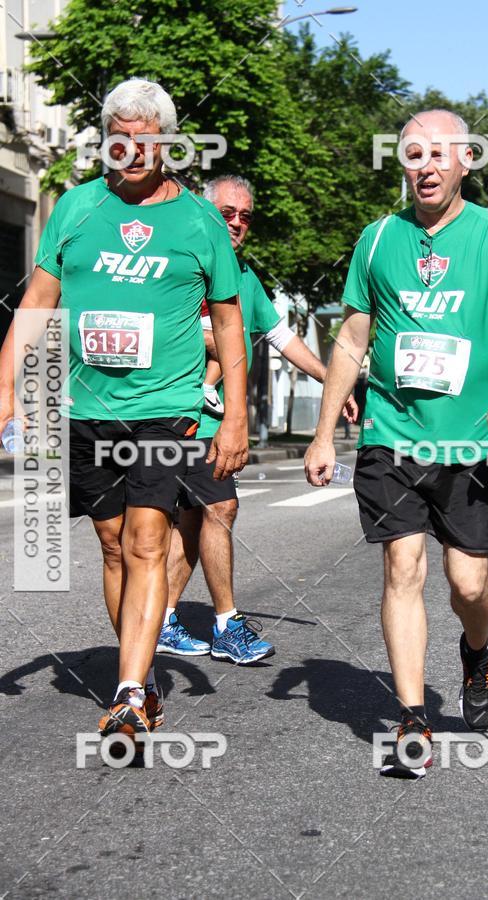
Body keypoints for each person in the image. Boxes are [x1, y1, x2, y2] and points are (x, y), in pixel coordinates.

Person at [0, 79, 248, 740]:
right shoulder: (77, 209)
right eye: (120, 139)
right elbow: (36, 305)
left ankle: (132, 691)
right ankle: (137, 671)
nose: (132, 152)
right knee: (112, 545)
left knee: (146, 540)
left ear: (166, 144)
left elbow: (228, 321)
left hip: (163, 408)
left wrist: (237, 418)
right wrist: (5, 388)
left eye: (145, 141)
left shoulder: (199, 220)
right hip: (87, 407)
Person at [304, 109, 488, 778]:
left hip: (468, 443)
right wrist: (326, 433)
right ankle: (413, 718)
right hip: (390, 434)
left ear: (467, 160)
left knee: (469, 583)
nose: (426, 166)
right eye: (413, 154)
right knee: (401, 569)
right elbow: (352, 340)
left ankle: (477, 649)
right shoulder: (378, 240)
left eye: (440, 154)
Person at [159, 174, 357, 663]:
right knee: (220, 508)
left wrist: (337, 381)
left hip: (211, 418)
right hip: (177, 413)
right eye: (227, 213)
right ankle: (226, 623)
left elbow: (280, 339)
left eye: (245, 216)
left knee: (192, 519)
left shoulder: (243, 275)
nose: (237, 223)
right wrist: (217, 341)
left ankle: (160, 619)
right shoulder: (178, 260)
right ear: (204, 212)